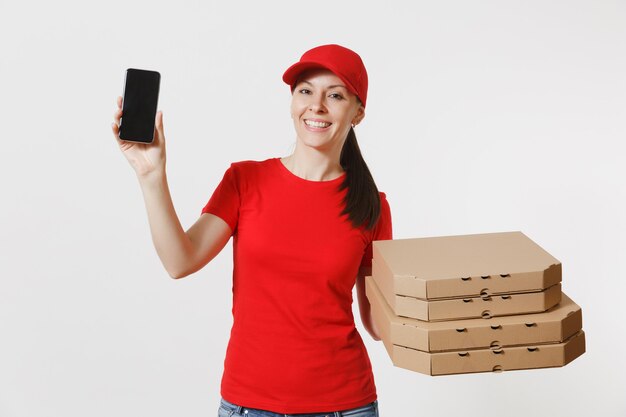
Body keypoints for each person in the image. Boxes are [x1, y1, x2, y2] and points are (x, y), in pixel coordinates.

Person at [111, 44, 392, 417]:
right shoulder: (245, 181)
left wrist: (449, 318)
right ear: (292, 101)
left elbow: (377, 322)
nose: (317, 106)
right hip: (249, 405)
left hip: (345, 404)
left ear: (358, 112)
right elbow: (180, 261)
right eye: (305, 91)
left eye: (335, 95)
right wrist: (150, 175)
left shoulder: (371, 205)